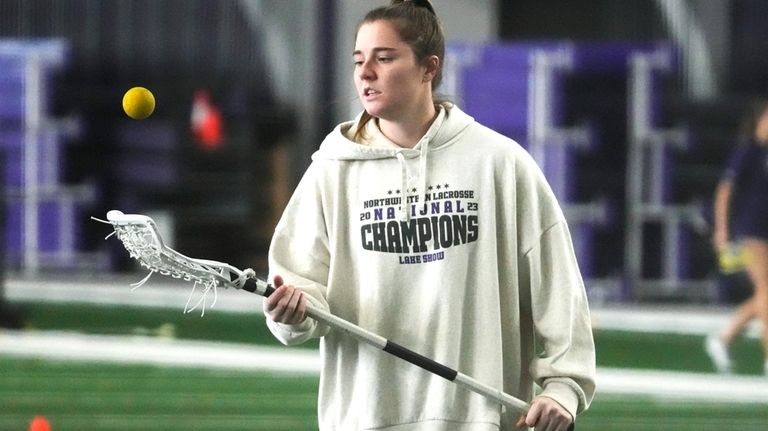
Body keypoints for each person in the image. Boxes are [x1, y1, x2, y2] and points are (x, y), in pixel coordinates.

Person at [263, 1, 596, 429]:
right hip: (365, 419)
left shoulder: (500, 163)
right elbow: (299, 289)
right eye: (359, 61)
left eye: (384, 58)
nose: (366, 73)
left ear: (428, 68)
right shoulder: (332, 170)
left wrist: (564, 388)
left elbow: (558, 286)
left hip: (478, 421)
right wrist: (294, 311)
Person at [706, 100, 768, 376]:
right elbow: (724, 191)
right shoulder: (747, 151)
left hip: (764, 231)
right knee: (766, 291)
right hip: (749, 232)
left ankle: (723, 338)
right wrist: (721, 231)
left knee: (765, 294)